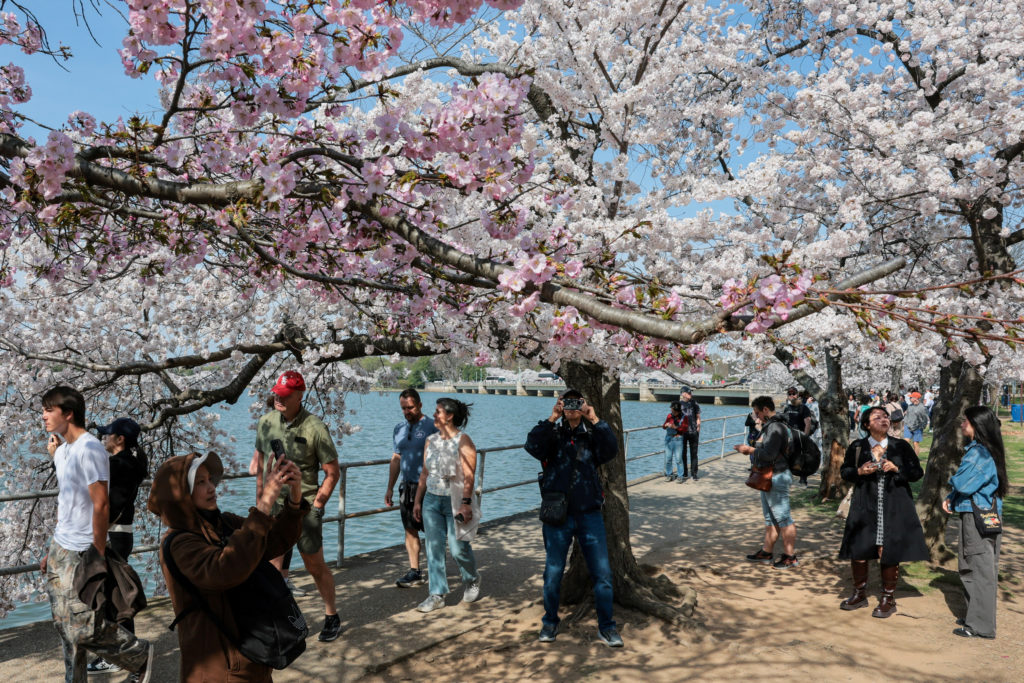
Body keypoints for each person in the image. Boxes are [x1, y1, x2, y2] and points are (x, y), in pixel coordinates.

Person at [149, 450, 307, 681]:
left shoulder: (225, 523)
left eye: (210, 480)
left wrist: (294, 499)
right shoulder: (180, 543)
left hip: (252, 654)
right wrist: (264, 504)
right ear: (180, 495)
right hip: (218, 668)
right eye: (200, 482)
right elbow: (224, 571)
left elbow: (273, 542)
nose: (211, 487)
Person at [40, 386, 154, 683]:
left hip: (84, 550)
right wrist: (51, 550)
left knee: (83, 624)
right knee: (65, 627)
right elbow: (68, 503)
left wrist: (98, 552)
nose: (43, 416)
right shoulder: (64, 451)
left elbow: (101, 503)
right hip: (61, 548)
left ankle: (138, 655)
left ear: (68, 414)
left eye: (48, 410)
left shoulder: (90, 449)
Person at [525, 389, 623, 647]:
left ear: (583, 404)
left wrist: (594, 418)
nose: (570, 407)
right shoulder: (553, 435)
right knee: (553, 572)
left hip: (589, 513)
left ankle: (607, 627)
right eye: (566, 403)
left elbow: (611, 450)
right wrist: (552, 417)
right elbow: (532, 446)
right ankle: (549, 622)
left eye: (575, 403)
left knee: (602, 574)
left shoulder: (591, 437)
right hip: (557, 515)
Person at [253, 370, 342, 642]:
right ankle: (279, 623)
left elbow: (332, 472)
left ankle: (331, 615)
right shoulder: (266, 422)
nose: (278, 399)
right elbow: (259, 466)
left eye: (284, 395)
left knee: (314, 565)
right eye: (276, 394)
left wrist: (317, 506)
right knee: (270, 568)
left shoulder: (315, 427)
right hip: (273, 508)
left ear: (299, 396)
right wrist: (260, 504)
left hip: (304, 507)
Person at [836, 406, 928, 618]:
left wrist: (897, 469)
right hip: (864, 503)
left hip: (893, 504)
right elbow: (845, 472)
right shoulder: (858, 446)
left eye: (886, 416)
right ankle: (859, 593)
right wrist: (860, 471)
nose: (884, 419)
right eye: (877, 417)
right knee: (859, 549)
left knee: (887, 549)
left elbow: (916, 473)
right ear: (867, 424)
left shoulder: (900, 446)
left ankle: (888, 598)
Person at [87, 417, 149, 677]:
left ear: (120, 439)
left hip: (112, 534)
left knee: (113, 597)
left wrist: (95, 539)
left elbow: (108, 504)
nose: (104, 439)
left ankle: (126, 653)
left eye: (107, 434)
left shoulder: (119, 465)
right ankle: (121, 652)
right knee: (115, 595)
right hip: (121, 533)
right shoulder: (130, 463)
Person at [942, 406, 1009, 639]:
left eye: (966, 422)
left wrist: (952, 484)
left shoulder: (979, 454)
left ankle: (980, 625)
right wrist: (952, 498)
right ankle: (975, 615)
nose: (962, 425)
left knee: (979, 566)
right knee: (971, 563)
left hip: (978, 516)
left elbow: (963, 483)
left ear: (977, 425)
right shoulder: (981, 450)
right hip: (978, 513)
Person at [412, 398, 481, 613]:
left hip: (455, 500)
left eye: (438, 412)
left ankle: (471, 578)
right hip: (431, 500)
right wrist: (417, 501)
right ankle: (437, 594)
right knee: (433, 548)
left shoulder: (464, 441)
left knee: (458, 548)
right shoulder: (430, 440)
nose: (434, 415)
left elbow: (469, 475)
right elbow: (425, 472)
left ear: (449, 416)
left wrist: (466, 504)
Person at [734, 395, 799, 569]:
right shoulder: (773, 426)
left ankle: (790, 556)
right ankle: (766, 551)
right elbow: (769, 449)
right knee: (770, 518)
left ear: (765, 410)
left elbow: (769, 454)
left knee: (783, 517)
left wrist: (750, 450)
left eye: (757, 412)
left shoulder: (776, 427)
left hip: (777, 475)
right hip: (771, 476)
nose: (756, 416)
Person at [385, 388, 438, 587]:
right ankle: (414, 571)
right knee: (409, 529)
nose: (407, 411)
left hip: (430, 486)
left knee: (433, 531)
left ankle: (436, 570)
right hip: (406, 487)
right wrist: (389, 487)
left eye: (410, 407)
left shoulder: (433, 426)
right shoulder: (399, 428)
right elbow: (396, 458)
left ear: (420, 405)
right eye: (403, 408)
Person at [782, 387, 813, 485]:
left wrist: (805, 436)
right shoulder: (786, 408)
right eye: (790, 394)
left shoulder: (803, 407)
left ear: (797, 395)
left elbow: (808, 422)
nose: (792, 396)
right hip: (788, 435)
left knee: (801, 457)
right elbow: (783, 421)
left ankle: (803, 478)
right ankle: (787, 477)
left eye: (794, 393)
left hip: (800, 435)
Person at [676, 386, 702, 480]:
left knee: (694, 453)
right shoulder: (679, 404)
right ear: (683, 394)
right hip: (683, 432)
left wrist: (698, 427)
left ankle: (694, 473)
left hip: (693, 431)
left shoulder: (694, 403)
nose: (690, 394)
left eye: (691, 393)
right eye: (688, 393)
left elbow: (698, 417)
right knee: (683, 453)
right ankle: (685, 472)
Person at [662, 400, 687, 481]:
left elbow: (684, 429)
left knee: (678, 459)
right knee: (668, 458)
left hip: (678, 439)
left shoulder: (684, 417)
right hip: (668, 438)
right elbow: (663, 426)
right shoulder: (669, 416)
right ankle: (669, 474)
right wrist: (666, 425)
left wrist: (675, 427)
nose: (672, 411)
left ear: (678, 411)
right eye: (672, 410)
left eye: (674, 411)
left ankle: (680, 476)